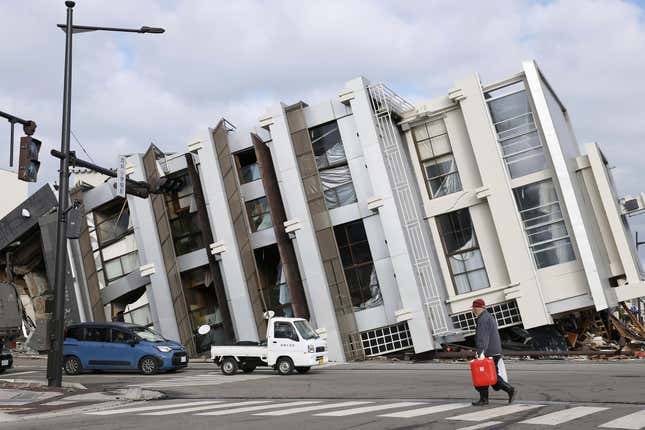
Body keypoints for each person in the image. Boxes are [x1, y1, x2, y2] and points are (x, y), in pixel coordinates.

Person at [471, 298, 516, 406]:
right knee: (487, 375)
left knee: (487, 375)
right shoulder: (489, 316)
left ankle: (509, 389)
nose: (473, 311)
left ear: (478, 308)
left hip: (488, 352)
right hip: (494, 350)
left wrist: (481, 352)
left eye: (474, 308)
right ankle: (484, 399)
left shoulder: (482, 319)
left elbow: (483, 337)